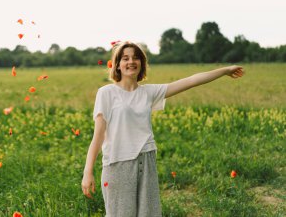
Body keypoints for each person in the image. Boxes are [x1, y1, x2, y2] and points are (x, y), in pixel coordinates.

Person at [81, 41, 244, 217]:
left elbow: (191, 81)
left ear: (142, 64)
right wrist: (88, 172)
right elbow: (98, 136)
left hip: (146, 160)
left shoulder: (149, 92)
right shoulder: (106, 93)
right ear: (118, 65)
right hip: (118, 165)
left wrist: (225, 70)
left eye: (136, 58)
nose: (131, 62)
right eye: (125, 58)